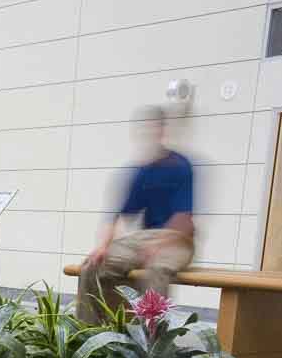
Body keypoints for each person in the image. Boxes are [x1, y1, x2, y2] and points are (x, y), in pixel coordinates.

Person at [78, 106, 195, 323]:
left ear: (161, 131)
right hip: (143, 239)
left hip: (178, 240)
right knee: (92, 266)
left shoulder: (181, 165)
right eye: (143, 129)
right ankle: (93, 331)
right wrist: (102, 247)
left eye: (152, 128)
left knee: (156, 271)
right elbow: (115, 216)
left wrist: (158, 246)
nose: (147, 134)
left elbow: (184, 219)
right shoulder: (140, 172)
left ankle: (150, 337)